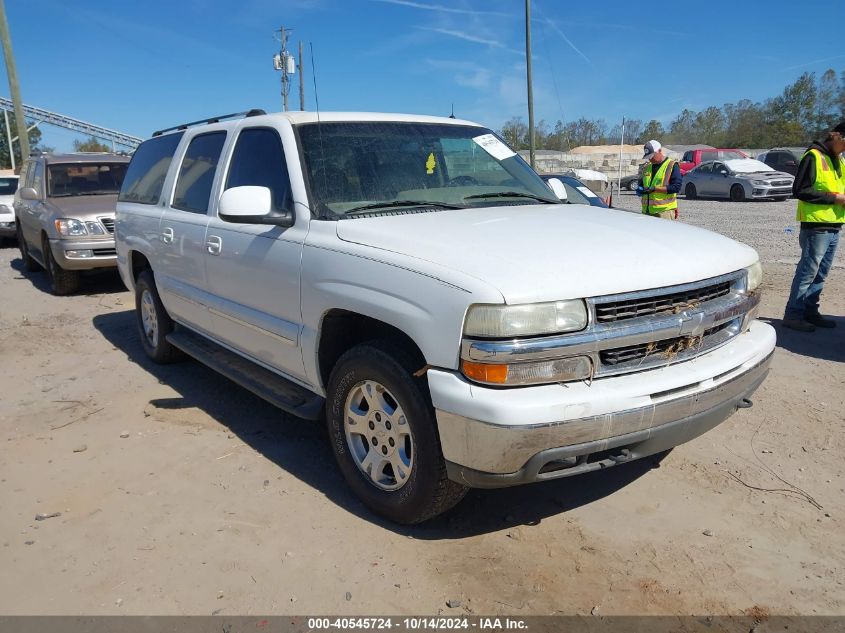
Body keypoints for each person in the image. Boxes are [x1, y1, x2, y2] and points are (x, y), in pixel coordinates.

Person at [782, 121, 845, 332]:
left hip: (834, 224)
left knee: (821, 273)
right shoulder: (813, 156)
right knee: (807, 272)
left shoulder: (838, 160)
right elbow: (800, 190)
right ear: (837, 137)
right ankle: (793, 315)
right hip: (816, 225)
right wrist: (835, 198)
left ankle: (810, 312)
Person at [637, 140, 682, 219]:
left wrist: (655, 189)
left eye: (652, 156)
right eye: (648, 157)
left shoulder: (671, 165)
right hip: (647, 212)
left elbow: (676, 187)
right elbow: (643, 184)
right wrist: (640, 189)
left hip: (664, 212)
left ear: (660, 151)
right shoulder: (647, 167)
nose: (650, 159)